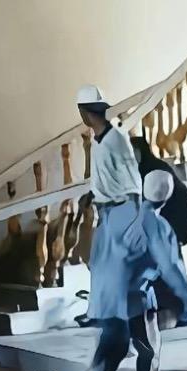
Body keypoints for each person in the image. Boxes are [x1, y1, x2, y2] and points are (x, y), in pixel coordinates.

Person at [79, 169, 187, 371]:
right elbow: (170, 268)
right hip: (134, 298)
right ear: (168, 197)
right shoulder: (157, 225)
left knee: (111, 347)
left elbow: (94, 255)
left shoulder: (115, 215)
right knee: (147, 348)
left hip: (106, 296)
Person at [77, 85, 142, 329]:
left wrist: (135, 217)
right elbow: (105, 176)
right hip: (106, 209)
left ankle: (120, 317)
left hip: (121, 209)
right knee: (98, 262)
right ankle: (100, 312)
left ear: (83, 113)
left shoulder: (116, 139)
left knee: (115, 266)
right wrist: (92, 194)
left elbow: (133, 180)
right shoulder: (97, 142)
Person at [130, 136, 187, 248]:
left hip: (174, 224)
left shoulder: (154, 171)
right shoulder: (148, 168)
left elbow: (147, 206)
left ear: (140, 152)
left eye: (133, 152)